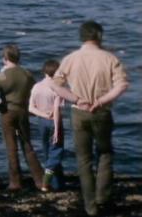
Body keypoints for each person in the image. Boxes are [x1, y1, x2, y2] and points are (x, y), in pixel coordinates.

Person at [48, 20, 128, 216]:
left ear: (81, 37)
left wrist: (76, 99)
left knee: (83, 160)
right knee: (105, 153)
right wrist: (101, 101)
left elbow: (55, 85)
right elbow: (122, 85)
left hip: (79, 111)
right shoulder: (109, 58)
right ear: (99, 36)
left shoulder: (70, 59)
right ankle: (103, 196)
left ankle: (90, 206)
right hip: (101, 111)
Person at [0, 45, 44, 191]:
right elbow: (35, 92)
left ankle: (15, 182)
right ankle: (40, 180)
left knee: (11, 148)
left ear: (5, 59)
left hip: (8, 112)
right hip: (23, 112)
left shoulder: (3, 76)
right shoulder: (27, 74)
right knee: (28, 146)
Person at [29, 59, 65, 192]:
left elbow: (31, 108)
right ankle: (46, 182)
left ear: (44, 71)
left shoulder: (36, 87)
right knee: (56, 152)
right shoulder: (57, 88)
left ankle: (58, 184)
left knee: (47, 151)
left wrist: (44, 115)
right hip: (54, 121)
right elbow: (56, 109)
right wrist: (56, 128)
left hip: (42, 121)